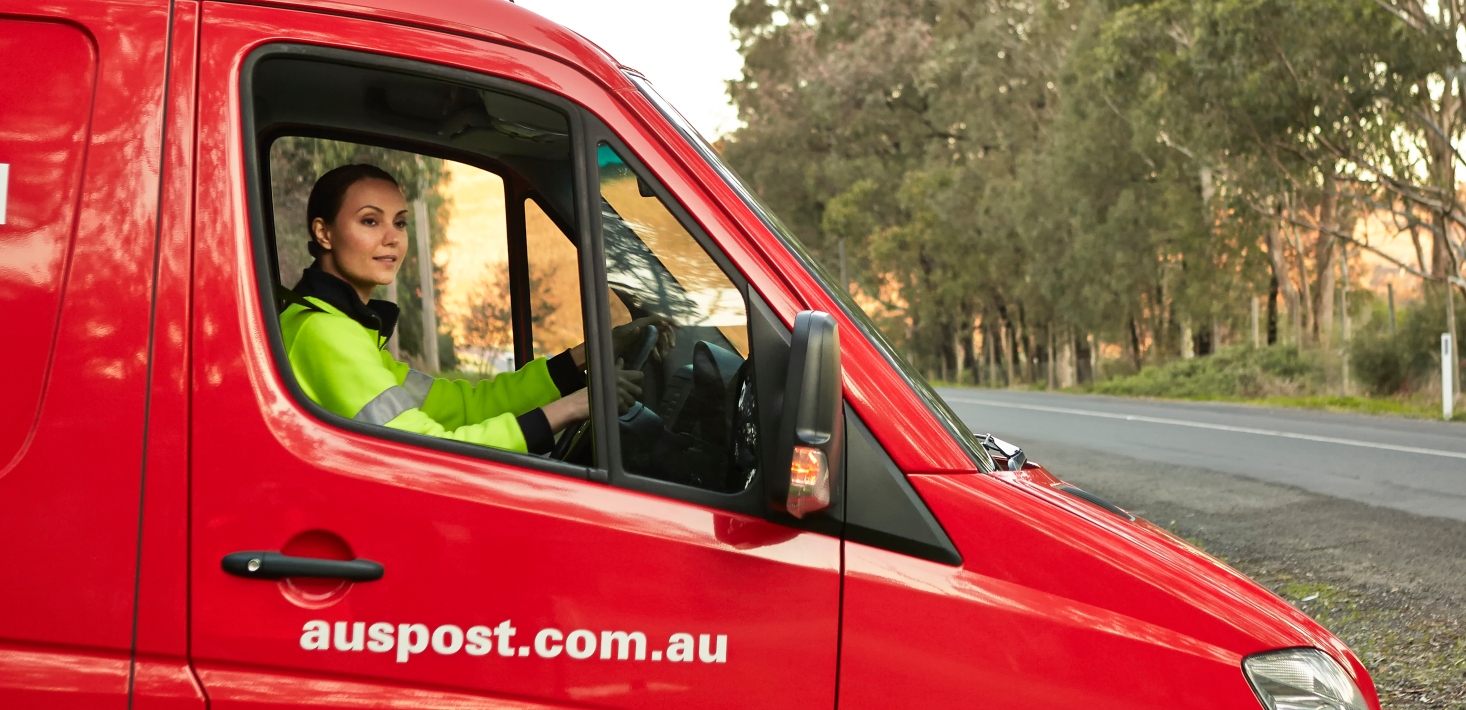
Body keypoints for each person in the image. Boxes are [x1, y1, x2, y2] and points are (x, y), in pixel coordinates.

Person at [280, 164, 663, 455]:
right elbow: (422, 452)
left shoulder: (346, 329)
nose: (391, 238)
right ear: (323, 233)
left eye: (399, 222)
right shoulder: (323, 332)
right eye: (369, 221)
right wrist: (576, 407)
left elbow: (467, 406)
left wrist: (582, 358)